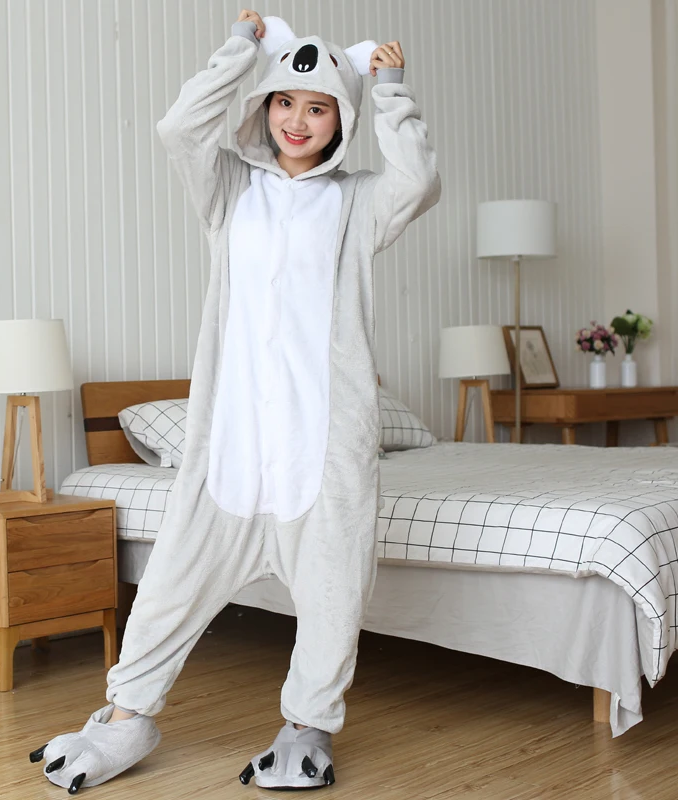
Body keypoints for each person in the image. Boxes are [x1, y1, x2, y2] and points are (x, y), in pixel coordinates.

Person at [30, 10, 440, 794]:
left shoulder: (358, 204)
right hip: (231, 449)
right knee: (169, 588)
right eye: (285, 101)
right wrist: (240, 50)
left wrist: (390, 90)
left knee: (331, 598)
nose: (298, 120)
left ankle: (307, 730)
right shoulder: (229, 188)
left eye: (318, 107)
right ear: (263, 106)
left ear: (342, 121)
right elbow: (178, 127)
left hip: (321, 451)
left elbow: (419, 179)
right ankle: (124, 719)